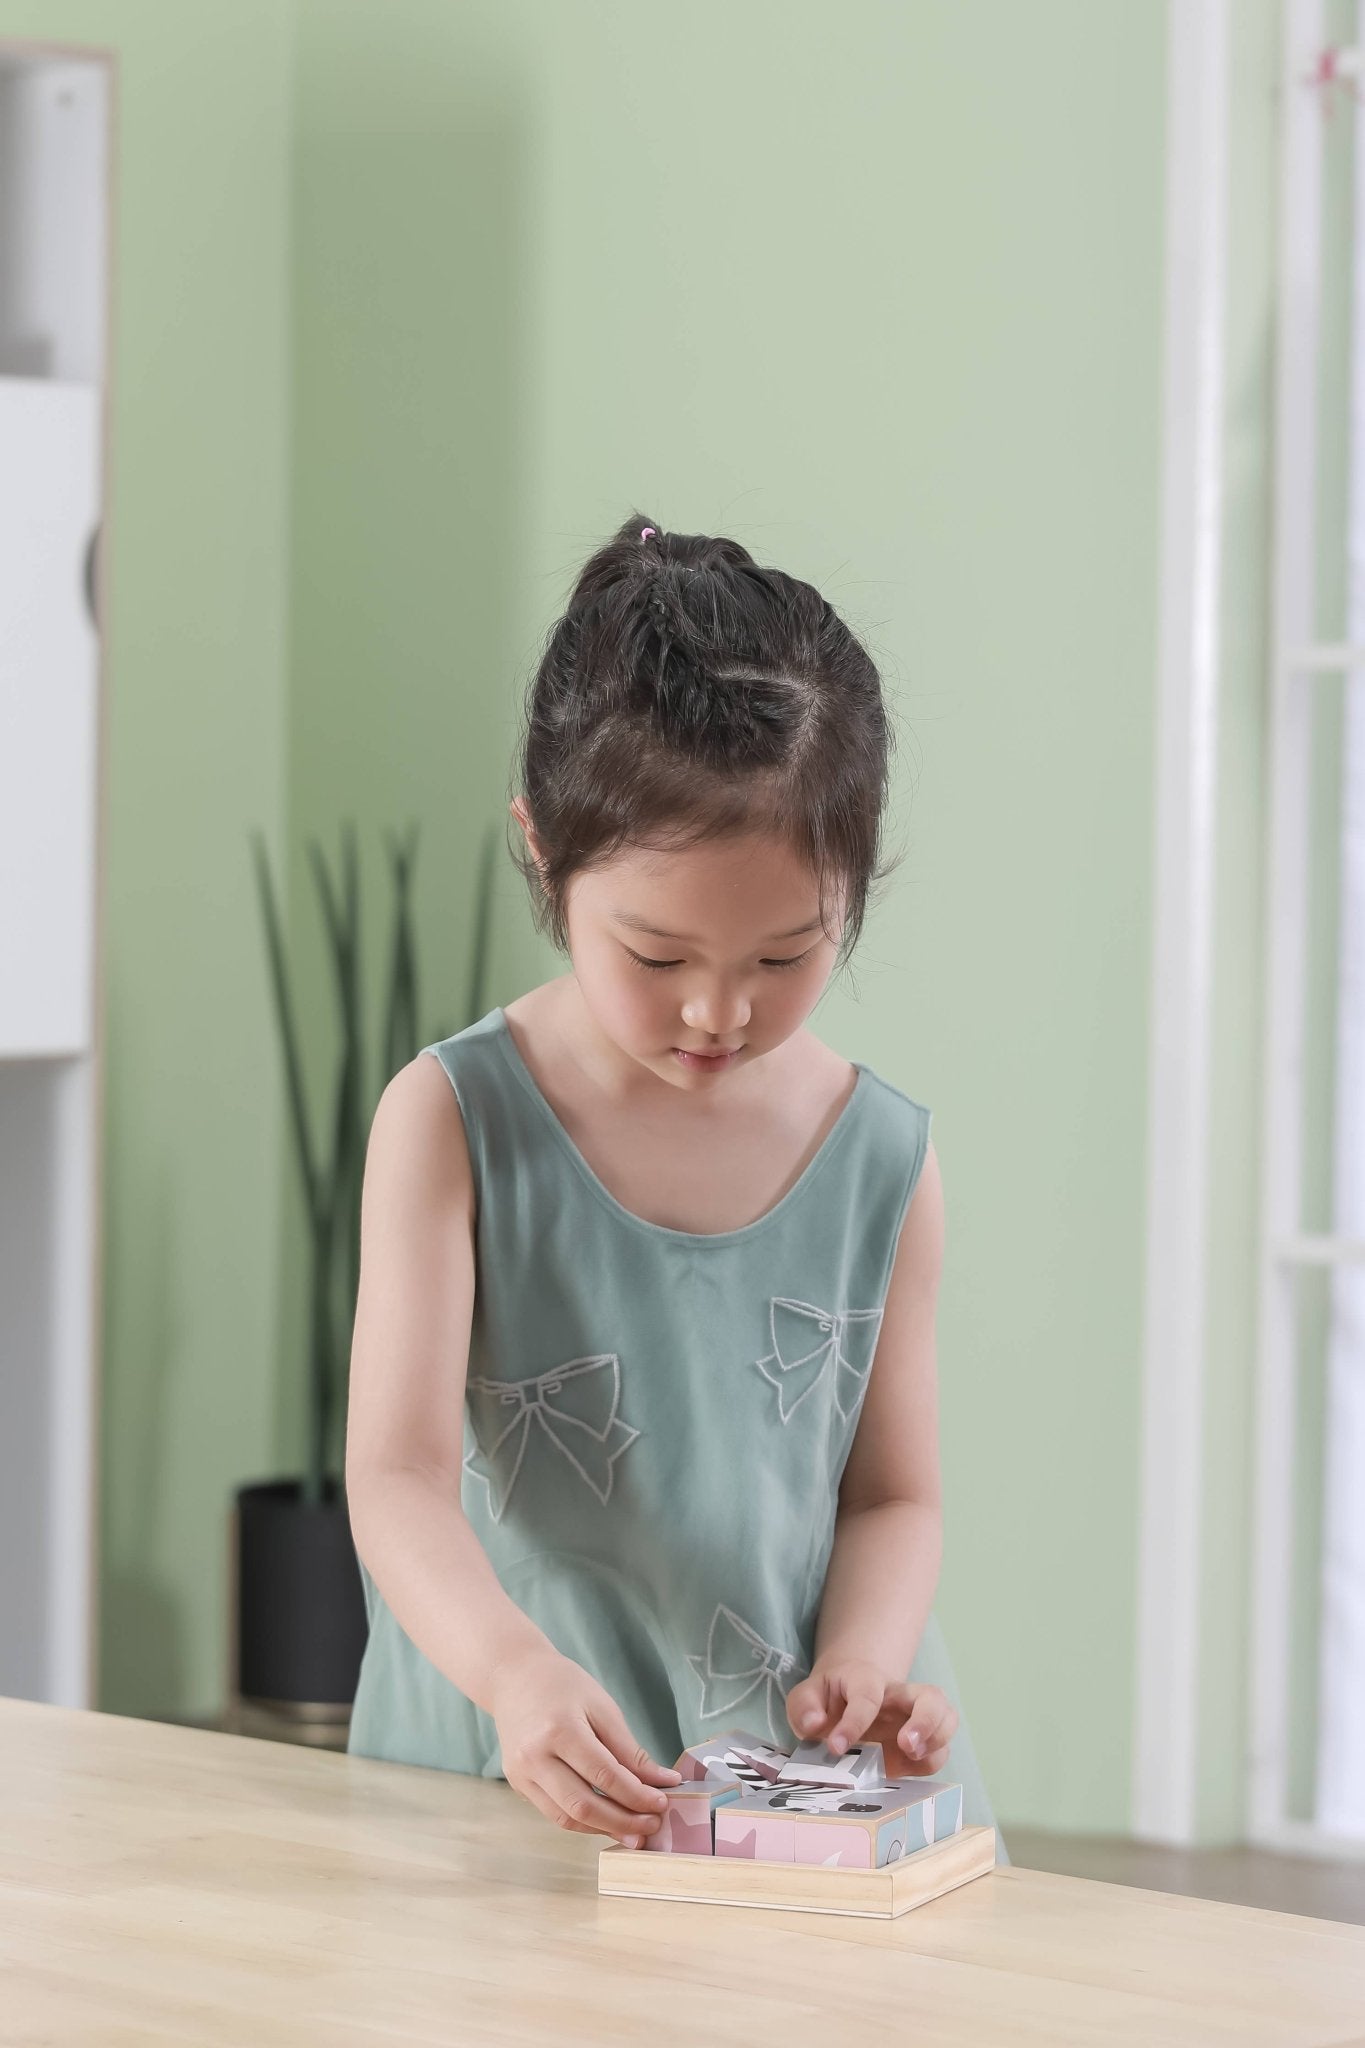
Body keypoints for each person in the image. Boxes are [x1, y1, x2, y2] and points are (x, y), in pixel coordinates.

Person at [344, 515, 1009, 1865]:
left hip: (784, 1809)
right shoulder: (454, 1120)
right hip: (526, 1761)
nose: (717, 1011)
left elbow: (892, 1497)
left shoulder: (880, 1159)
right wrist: (511, 1674)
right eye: (653, 955)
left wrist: (865, 1666)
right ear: (543, 851)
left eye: (783, 958)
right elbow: (397, 1476)